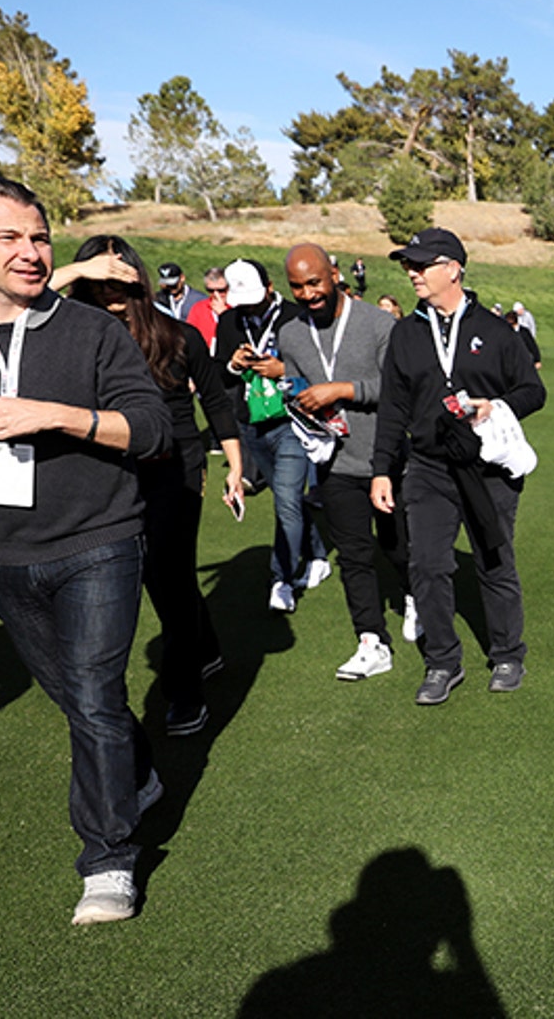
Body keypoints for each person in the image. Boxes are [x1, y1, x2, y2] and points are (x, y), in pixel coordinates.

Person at [0, 176, 174, 924]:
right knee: (76, 699)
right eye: (9, 238)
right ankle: (134, 775)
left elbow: (154, 431)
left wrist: (60, 417)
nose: (32, 253)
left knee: (96, 696)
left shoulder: (92, 331)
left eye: (39, 237)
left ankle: (107, 860)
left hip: (101, 540)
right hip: (2, 552)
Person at [54, 236, 244, 737]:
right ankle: (206, 649)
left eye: (119, 276)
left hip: (176, 470)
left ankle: (184, 691)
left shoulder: (178, 334)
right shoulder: (77, 335)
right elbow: (17, 302)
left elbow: (217, 404)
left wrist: (235, 466)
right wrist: (79, 270)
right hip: (110, 474)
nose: (110, 288)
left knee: (168, 576)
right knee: (159, 574)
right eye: (98, 279)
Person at [371, 228, 544, 706]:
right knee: (426, 565)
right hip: (428, 467)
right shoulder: (405, 333)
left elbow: (533, 390)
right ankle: (442, 662)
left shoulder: (496, 330)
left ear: (453, 268)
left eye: (421, 264)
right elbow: (392, 408)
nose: (412, 273)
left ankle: (508, 652)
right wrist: (382, 469)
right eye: (408, 265)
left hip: (486, 468)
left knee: (494, 561)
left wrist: (498, 407)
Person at [276, 244, 411, 682]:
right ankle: (371, 641)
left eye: (314, 283)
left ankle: (414, 595)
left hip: (386, 458)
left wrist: (341, 390)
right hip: (333, 461)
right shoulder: (292, 333)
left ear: (334, 274)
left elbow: (395, 389)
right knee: (354, 556)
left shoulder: (377, 322)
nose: (307, 294)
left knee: (397, 546)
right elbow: (298, 386)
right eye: (297, 286)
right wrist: (283, 384)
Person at [217, 257, 330, 613]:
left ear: (269, 288)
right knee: (290, 499)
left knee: (285, 499)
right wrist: (235, 364)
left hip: (291, 421)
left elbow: (323, 367)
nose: (248, 306)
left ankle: (280, 577)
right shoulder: (229, 320)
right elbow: (219, 376)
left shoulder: (295, 316)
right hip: (251, 424)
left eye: (255, 297)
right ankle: (318, 555)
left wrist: (284, 368)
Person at [187, 266, 228, 352]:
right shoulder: (198, 308)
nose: (216, 295)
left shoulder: (238, 308)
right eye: (211, 290)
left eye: (221, 290)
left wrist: (226, 315)